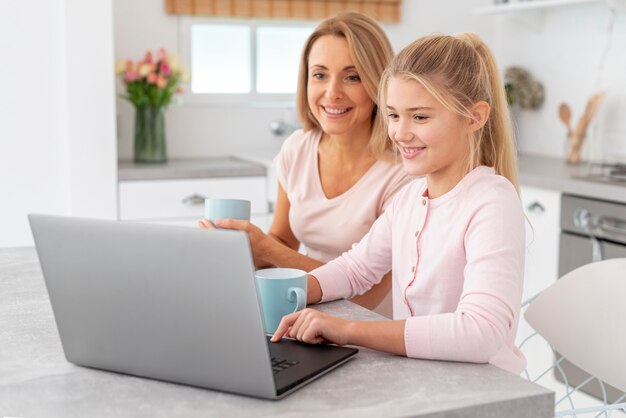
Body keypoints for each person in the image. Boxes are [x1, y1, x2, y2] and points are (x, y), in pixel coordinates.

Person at [271, 32, 527, 374]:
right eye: (393, 115)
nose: (400, 133)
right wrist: (289, 291)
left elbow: (481, 333)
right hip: (422, 379)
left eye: (419, 117)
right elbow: (356, 269)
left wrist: (347, 330)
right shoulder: (410, 197)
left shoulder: (491, 202)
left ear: (474, 117)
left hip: (484, 391)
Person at [199, 12, 410, 316]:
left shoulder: (402, 173)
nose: (332, 92)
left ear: (379, 83)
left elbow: (369, 295)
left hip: (374, 330)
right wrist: (240, 249)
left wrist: (267, 250)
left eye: (352, 76)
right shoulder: (297, 149)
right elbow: (283, 239)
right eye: (320, 75)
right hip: (307, 317)